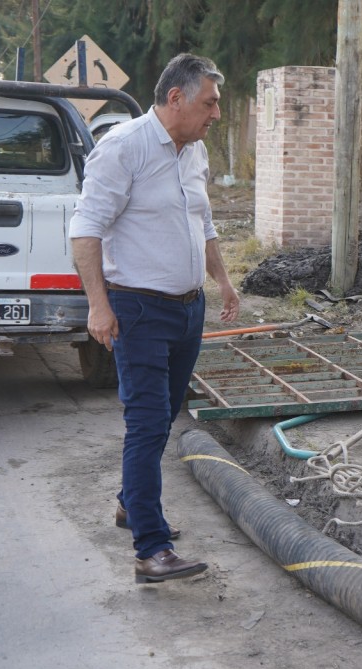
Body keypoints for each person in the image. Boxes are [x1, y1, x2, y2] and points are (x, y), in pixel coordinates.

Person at [70, 53, 240, 584]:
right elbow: (85, 231)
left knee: (165, 415)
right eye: (209, 102)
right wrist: (99, 305)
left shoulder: (194, 151)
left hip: (188, 309)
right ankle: (151, 548)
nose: (216, 112)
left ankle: (130, 503)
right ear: (176, 98)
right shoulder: (124, 149)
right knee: (146, 424)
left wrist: (222, 279)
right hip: (138, 310)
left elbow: (202, 219)